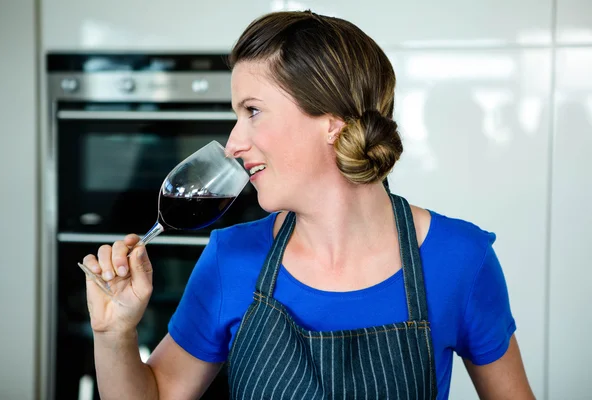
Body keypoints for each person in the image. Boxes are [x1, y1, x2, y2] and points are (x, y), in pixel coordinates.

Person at [82, 10, 535, 400]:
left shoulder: (460, 259)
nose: (234, 143)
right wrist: (114, 335)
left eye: (252, 111)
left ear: (333, 123)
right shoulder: (231, 259)